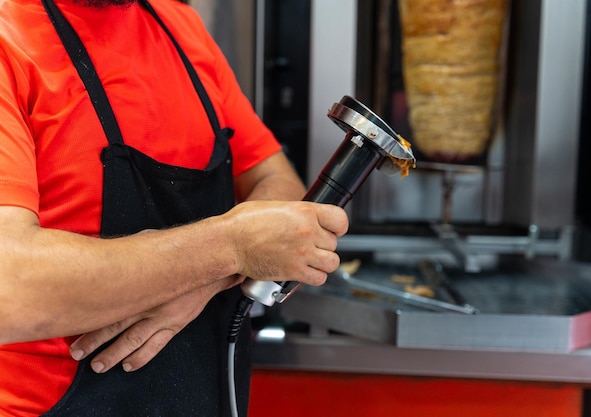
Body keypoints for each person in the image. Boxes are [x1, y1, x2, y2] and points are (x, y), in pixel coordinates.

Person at [0, 0, 349, 415]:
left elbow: (274, 180)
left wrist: (198, 279)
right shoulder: (10, 39)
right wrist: (227, 248)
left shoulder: (178, 26)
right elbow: (11, 290)